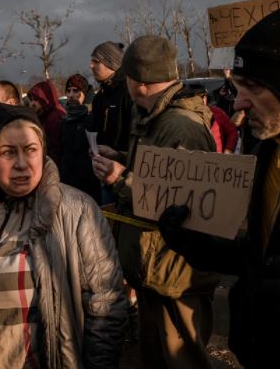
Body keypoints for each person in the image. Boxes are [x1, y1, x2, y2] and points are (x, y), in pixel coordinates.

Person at [158, 6, 280, 368]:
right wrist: (193, 241)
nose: (239, 103)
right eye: (237, 88)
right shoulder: (270, 152)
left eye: (254, 88)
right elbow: (262, 259)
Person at [0, 102, 127, 368]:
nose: (21, 164)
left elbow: (106, 304)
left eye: (30, 150)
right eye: (7, 152)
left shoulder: (77, 210)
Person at [92, 35, 218, 369]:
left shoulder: (180, 127)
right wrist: (120, 159)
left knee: (183, 361)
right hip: (155, 270)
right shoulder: (154, 116)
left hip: (175, 275)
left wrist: (119, 179)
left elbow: (185, 201)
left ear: (139, 82)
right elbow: (159, 175)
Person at [59, 74, 101, 203]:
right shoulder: (65, 119)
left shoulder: (93, 117)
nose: (71, 95)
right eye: (69, 90)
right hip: (69, 182)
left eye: (76, 91)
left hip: (89, 184)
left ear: (84, 93)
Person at [90, 41, 134, 154]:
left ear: (111, 64)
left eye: (96, 61)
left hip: (125, 168)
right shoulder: (99, 97)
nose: (90, 65)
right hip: (102, 166)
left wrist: (119, 156)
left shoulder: (130, 93)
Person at [27, 80, 66, 165]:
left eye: (36, 100)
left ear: (45, 99)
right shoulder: (45, 114)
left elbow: (55, 149)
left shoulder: (55, 117)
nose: (32, 103)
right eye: (31, 100)